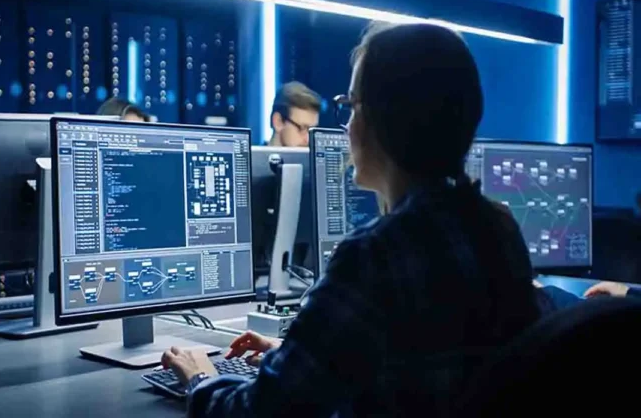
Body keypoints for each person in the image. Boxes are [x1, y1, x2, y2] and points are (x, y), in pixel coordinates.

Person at [161, 22, 541, 417]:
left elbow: (260, 413)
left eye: (351, 105)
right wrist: (301, 359)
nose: (346, 126)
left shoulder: (375, 255)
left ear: (384, 119)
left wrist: (200, 378)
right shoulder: (498, 229)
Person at [268, 81, 321, 147]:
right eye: (302, 128)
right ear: (278, 122)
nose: (307, 140)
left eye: (312, 132)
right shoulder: (253, 157)